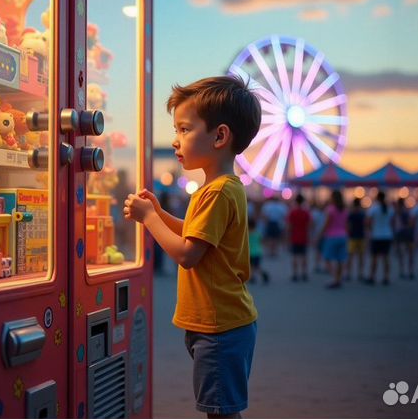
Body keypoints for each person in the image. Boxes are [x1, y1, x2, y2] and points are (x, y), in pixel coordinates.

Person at [124, 75, 262, 419]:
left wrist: (148, 219)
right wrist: (159, 212)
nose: (175, 140)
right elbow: (195, 235)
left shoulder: (216, 192)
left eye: (184, 129)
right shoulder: (223, 188)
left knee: (220, 412)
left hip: (219, 327)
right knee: (221, 409)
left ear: (220, 136)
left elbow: (187, 254)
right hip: (221, 324)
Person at [318, 190, 349, 289]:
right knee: (340, 259)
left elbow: (327, 224)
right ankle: (338, 278)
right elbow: (346, 224)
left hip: (332, 236)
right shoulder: (344, 209)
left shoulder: (330, 209)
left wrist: (320, 235)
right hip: (343, 236)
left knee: (327, 258)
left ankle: (335, 278)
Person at [364, 191, 395, 285]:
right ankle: (386, 277)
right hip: (387, 235)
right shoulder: (390, 209)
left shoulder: (373, 208)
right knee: (386, 257)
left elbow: (368, 222)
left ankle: (372, 276)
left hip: (376, 235)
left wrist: (369, 231)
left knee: (374, 257)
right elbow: (392, 222)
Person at [286, 193, 311, 281]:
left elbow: (289, 226)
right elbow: (310, 225)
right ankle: (304, 273)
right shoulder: (306, 212)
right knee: (304, 255)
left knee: (295, 256)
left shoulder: (293, 212)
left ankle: (295, 274)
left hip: (294, 236)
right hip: (304, 236)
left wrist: (288, 237)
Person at [346, 197, 366, 281]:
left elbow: (348, 226)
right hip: (361, 236)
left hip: (352, 237)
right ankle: (360, 273)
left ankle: (348, 274)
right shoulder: (363, 214)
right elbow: (366, 225)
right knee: (361, 256)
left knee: (350, 256)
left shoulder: (351, 214)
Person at [394, 197, 415, 279]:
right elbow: (411, 223)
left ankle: (402, 270)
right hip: (408, 233)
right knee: (410, 253)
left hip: (401, 233)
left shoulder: (398, 213)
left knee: (402, 254)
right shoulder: (408, 211)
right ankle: (410, 271)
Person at [248, 217, 269, 284]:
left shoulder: (247, 234)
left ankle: (255, 276)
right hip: (258, 252)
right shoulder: (257, 233)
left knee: (251, 266)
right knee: (256, 265)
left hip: (250, 252)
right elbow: (261, 241)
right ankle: (255, 276)